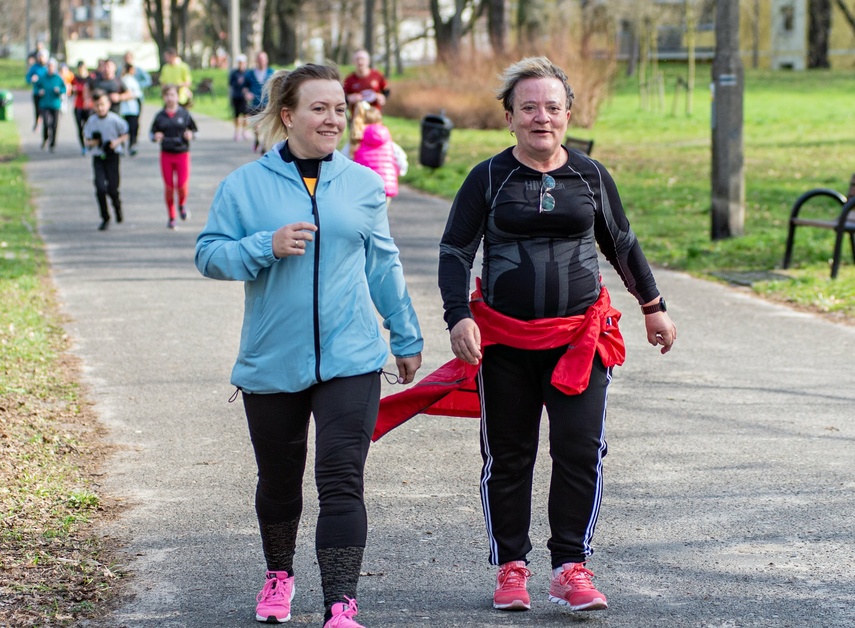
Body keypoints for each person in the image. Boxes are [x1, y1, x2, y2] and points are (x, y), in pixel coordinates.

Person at [437, 57, 677, 613]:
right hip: (502, 342)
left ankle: (571, 566)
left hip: (579, 341)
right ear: (509, 117)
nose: (540, 117)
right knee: (510, 454)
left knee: (580, 450)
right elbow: (455, 251)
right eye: (528, 108)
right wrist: (458, 316)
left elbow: (622, 244)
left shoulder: (590, 176)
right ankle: (512, 567)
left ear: (568, 113)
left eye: (552, 107)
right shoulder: (488, 177)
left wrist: (653, 307)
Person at [194, 64, 423, 627]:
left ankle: (341, 603)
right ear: (288, 115)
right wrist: (262, 246)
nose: (333, 119)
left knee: (342, 476)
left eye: (340, 109)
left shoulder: (364, 184)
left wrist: (405, 332)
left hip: (352, 356)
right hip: (273, 358)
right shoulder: (244, 186)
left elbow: (383, 262)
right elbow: (208, 254)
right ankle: (279, 575)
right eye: (319, 108)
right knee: (278, 479)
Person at [150, 84, 198, 229]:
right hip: (166, 154)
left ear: (177, 96)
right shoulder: (159, 116)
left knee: (182, 186)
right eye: (167, 95)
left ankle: (182, 205)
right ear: (163, 97)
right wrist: (155, 136)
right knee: (169, 187)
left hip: (182, 154)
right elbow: (151, 133)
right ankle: (171, 216)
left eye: (172, 95)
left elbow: (195, 131)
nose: (170, 98)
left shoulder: (184, 114)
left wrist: (191, 134)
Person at [83, 89, 129, 231]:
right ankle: (105, 217)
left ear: (108, 104)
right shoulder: (91, 121)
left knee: (112, 188)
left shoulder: (115, 119)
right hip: (98, 157)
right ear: (93, 106)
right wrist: (94, 142)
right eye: (97, 105)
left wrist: (115, 142)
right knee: (100, 188)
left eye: (103, 104)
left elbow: (125, 134)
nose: (100, 108)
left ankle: (117, 207)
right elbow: (86, 140)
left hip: (113, 156)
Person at [352, 104, 400, 202]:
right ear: (380, 121)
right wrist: (399, 171)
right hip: (385, 187)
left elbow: (344, 158)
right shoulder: (388, 142)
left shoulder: (358, 139)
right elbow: (401, 159)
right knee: (381, 215)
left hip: (364, 188)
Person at [244, 51, 274, 152]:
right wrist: (247, 93)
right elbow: (244, 87)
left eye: (263, 59)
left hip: (267, 103)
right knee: (256, 126)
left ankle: (265, 144)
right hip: (254, 103)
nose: (261, 62)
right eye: (260, 60)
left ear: (266, 61)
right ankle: (257, 138)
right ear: (256, 61)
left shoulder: (271, 72)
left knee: (266, 125)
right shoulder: (250, 74)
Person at [35, 58, 66, 152]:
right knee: (46, 123)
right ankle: (45, 138)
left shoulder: (58, 78)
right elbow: (36, 88)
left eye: (52, 66)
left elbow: (64, 89)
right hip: (44, 104)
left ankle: (53, 143)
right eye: (49, 66)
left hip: (55, 104)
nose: (50, 68)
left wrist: (59, 91)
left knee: (54, 124)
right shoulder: (43, 77)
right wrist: (39, 91)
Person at [343, 50, 387, 115]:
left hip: (375, 116)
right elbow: (342, 97)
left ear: (368, 61)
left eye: (362, 59)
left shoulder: (377, 75)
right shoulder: (349, 79)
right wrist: (349, 98)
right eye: (357, 59)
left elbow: (386, 91)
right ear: (353, 62)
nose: (360, 62)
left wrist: (382, 97)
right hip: (357, 117)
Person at [120, 64, 144, 156]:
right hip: (126, 107)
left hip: (133, 107)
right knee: (125, 128)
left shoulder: (132, 79)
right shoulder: (125, 79)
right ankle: (122, 145)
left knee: (134, 127)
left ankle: (132, 145)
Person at [72, 61, 95, 155]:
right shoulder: (75, 78)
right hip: (78, 105)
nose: (81, 70)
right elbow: (71, 90)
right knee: (80, 128)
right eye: (79, 68)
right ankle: (83, 146)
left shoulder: (90, 78)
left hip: (88, 106)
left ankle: (90, 144)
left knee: (89, 126)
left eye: (83, 68)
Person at [228, 54, 251, 141]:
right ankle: (237, 132)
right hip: (236, 96)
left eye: (243, 63)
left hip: (244, 97)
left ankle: (245, 131)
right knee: (237, 115)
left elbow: (250, 84)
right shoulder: (234, 73)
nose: (241, 65)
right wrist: (237, 82)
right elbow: (231, 83)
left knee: (246, 115)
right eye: (240, 63)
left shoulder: (248, 73)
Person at [25, 49, 49, 131]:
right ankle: (37, 122)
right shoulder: (34, 68)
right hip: (37, 92)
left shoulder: (48, 67)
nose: (41, 59)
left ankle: (46, 125)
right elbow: (27, 78)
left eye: (43, 57)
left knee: (46, 110)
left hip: (46, 93)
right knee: (37, 109)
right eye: (40, 57)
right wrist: (32, 79)